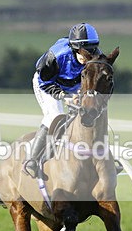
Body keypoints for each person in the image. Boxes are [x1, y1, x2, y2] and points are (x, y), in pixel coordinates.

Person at [23, 22, 101, 178]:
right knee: (54, 114)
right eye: (82, 52)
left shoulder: (97, 57)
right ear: (74, 48)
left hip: (74, 84)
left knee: (89, 113)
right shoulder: (57, 56)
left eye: (91, 51)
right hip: (48, 83)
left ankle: (101, 157)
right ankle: (31, 160)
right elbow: (45, 83)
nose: (87, 56)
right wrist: (65, 97)